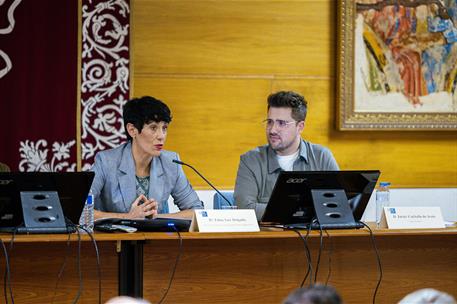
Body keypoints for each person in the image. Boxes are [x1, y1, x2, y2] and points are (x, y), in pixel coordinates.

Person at [91, 96, 203, 220]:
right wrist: (127, 217)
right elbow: (81, 211)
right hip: (115, 238)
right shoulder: (106, 162)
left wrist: (155, 218)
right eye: (153, 128)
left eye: (164, 128)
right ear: (132, 130)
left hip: (154, 238)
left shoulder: (171, 163)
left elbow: (197, 211)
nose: (161, 136)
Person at [234, 91, 339, 219]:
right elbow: (244, 210)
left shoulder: (322, 157)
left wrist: (282, 210)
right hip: (268, 238)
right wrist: (302, 210)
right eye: (270, 122)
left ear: (300, 127)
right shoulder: (250, 160)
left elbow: (337, 207)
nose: (272, 130)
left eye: (281, 123)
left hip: (314, 238)